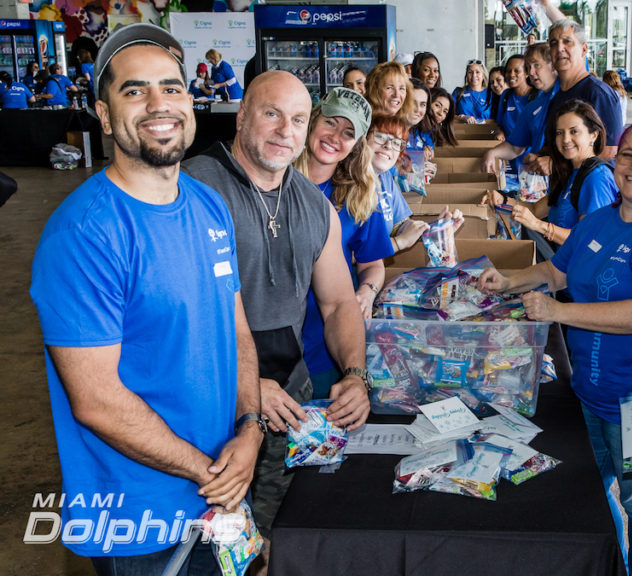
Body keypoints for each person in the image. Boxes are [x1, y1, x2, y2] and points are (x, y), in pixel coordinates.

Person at [29, 23, 261, 573]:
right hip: (141, 522)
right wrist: (213, 473)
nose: (159, 104)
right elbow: (96, 399)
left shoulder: (208, 206)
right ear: (105, 116)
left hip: (222, 491)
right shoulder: (84, 234)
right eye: (134, 90)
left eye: (171, 87)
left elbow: (236, 332)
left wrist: (250, 429)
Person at [478, 118, 632, 576]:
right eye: (628, 155)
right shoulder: (600, 220)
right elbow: (556, 272)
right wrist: (507, 281)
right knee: (593, 493)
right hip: (592, 394)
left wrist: (558, 312)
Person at [182, 70, 370, 552]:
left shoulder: (316, 206)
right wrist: (245, 386)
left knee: (268, 537)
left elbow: (339, 303)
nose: (286, 131)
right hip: (208, 400)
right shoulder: (190, 189)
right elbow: (173, 320)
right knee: (202, 542)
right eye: (272, 114)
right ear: (242, 115)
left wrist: (355, 374)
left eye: (298, 119)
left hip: (289, 398)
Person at [292, 87, 392, 396]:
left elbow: (373, 264)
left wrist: (367, 291)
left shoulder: (359, 197)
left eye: (348, 132)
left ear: (356, 145)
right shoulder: (275, 178)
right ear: (313, 120)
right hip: (269, 349)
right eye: (330, 122)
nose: (335, 136)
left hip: (326, 345)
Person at [510, 100, 616, 246]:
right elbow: (535, 210)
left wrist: (538, 225)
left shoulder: (597, 178)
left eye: (574, 131)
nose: (565, 140)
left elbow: (588, 240)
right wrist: (502, 201)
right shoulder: (570, 172)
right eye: (559, 133)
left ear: (594, 135)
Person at [531, 19, 623, 170]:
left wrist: (557, 165)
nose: (559, 48)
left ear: (584, 49)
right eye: (554, 43)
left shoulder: (599, 93)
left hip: (591, 181)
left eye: (567, 41)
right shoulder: (556, 95)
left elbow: (610, 150)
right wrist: (540, 156)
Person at [480, 42, 559, 174]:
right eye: (528, 67)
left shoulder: (569, 95)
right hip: (535, 176)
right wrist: (492, 153)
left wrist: (554, 162)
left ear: (553, 65)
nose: (531, 72)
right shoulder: (532, 107)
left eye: (536, 65)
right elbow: (515, 147)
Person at [367, 113, 430, 248]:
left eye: (396, 142)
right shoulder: (347, 185)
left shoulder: (384, 177)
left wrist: (434, 228)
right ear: (364, 139)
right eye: (380, 137)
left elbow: (400, 225)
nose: (388, 146)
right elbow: (349, 253)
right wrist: (399, 242)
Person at [492, 54, 534, 149]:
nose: (511, 75)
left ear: (527, 73)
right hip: (509, 151)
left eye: (517, 71)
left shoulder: (537, 95)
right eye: (508, 71)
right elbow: (500, 124)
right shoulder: (506, 95)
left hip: (530, 153)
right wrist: (500, 132)